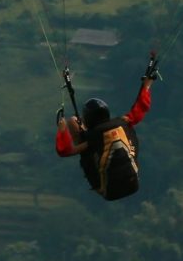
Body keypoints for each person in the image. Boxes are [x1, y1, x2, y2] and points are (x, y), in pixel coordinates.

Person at [55, 56, 157, 200]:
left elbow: (66, 151)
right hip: (133, 184)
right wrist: (147, 85)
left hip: (109, 191)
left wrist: (62, 129)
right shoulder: (123, 122)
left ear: (89, 119)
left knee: (72, 122)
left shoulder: (93, 139)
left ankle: (102, 181)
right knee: (75, 123)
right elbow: (140, 109)